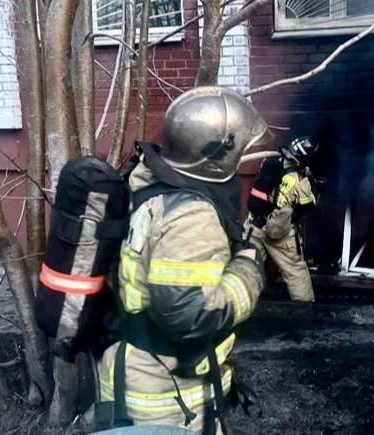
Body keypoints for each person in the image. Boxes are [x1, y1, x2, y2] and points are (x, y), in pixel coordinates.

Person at [97, 86, 270, 434]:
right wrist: (249, 268)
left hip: (139, 371)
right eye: (240, 152)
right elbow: (189, 315)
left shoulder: (149, 180)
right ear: (216, 157)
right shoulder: (190, 216)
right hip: (165, 394)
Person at [243, 136, 323, 302]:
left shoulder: (269, 162)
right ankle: (304, 313)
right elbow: (307, 206)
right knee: (296, 272)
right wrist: (316, 190)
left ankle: (240, 305)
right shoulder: (300, 181)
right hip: (278, 233)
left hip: (254, 226)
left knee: (246, 267)